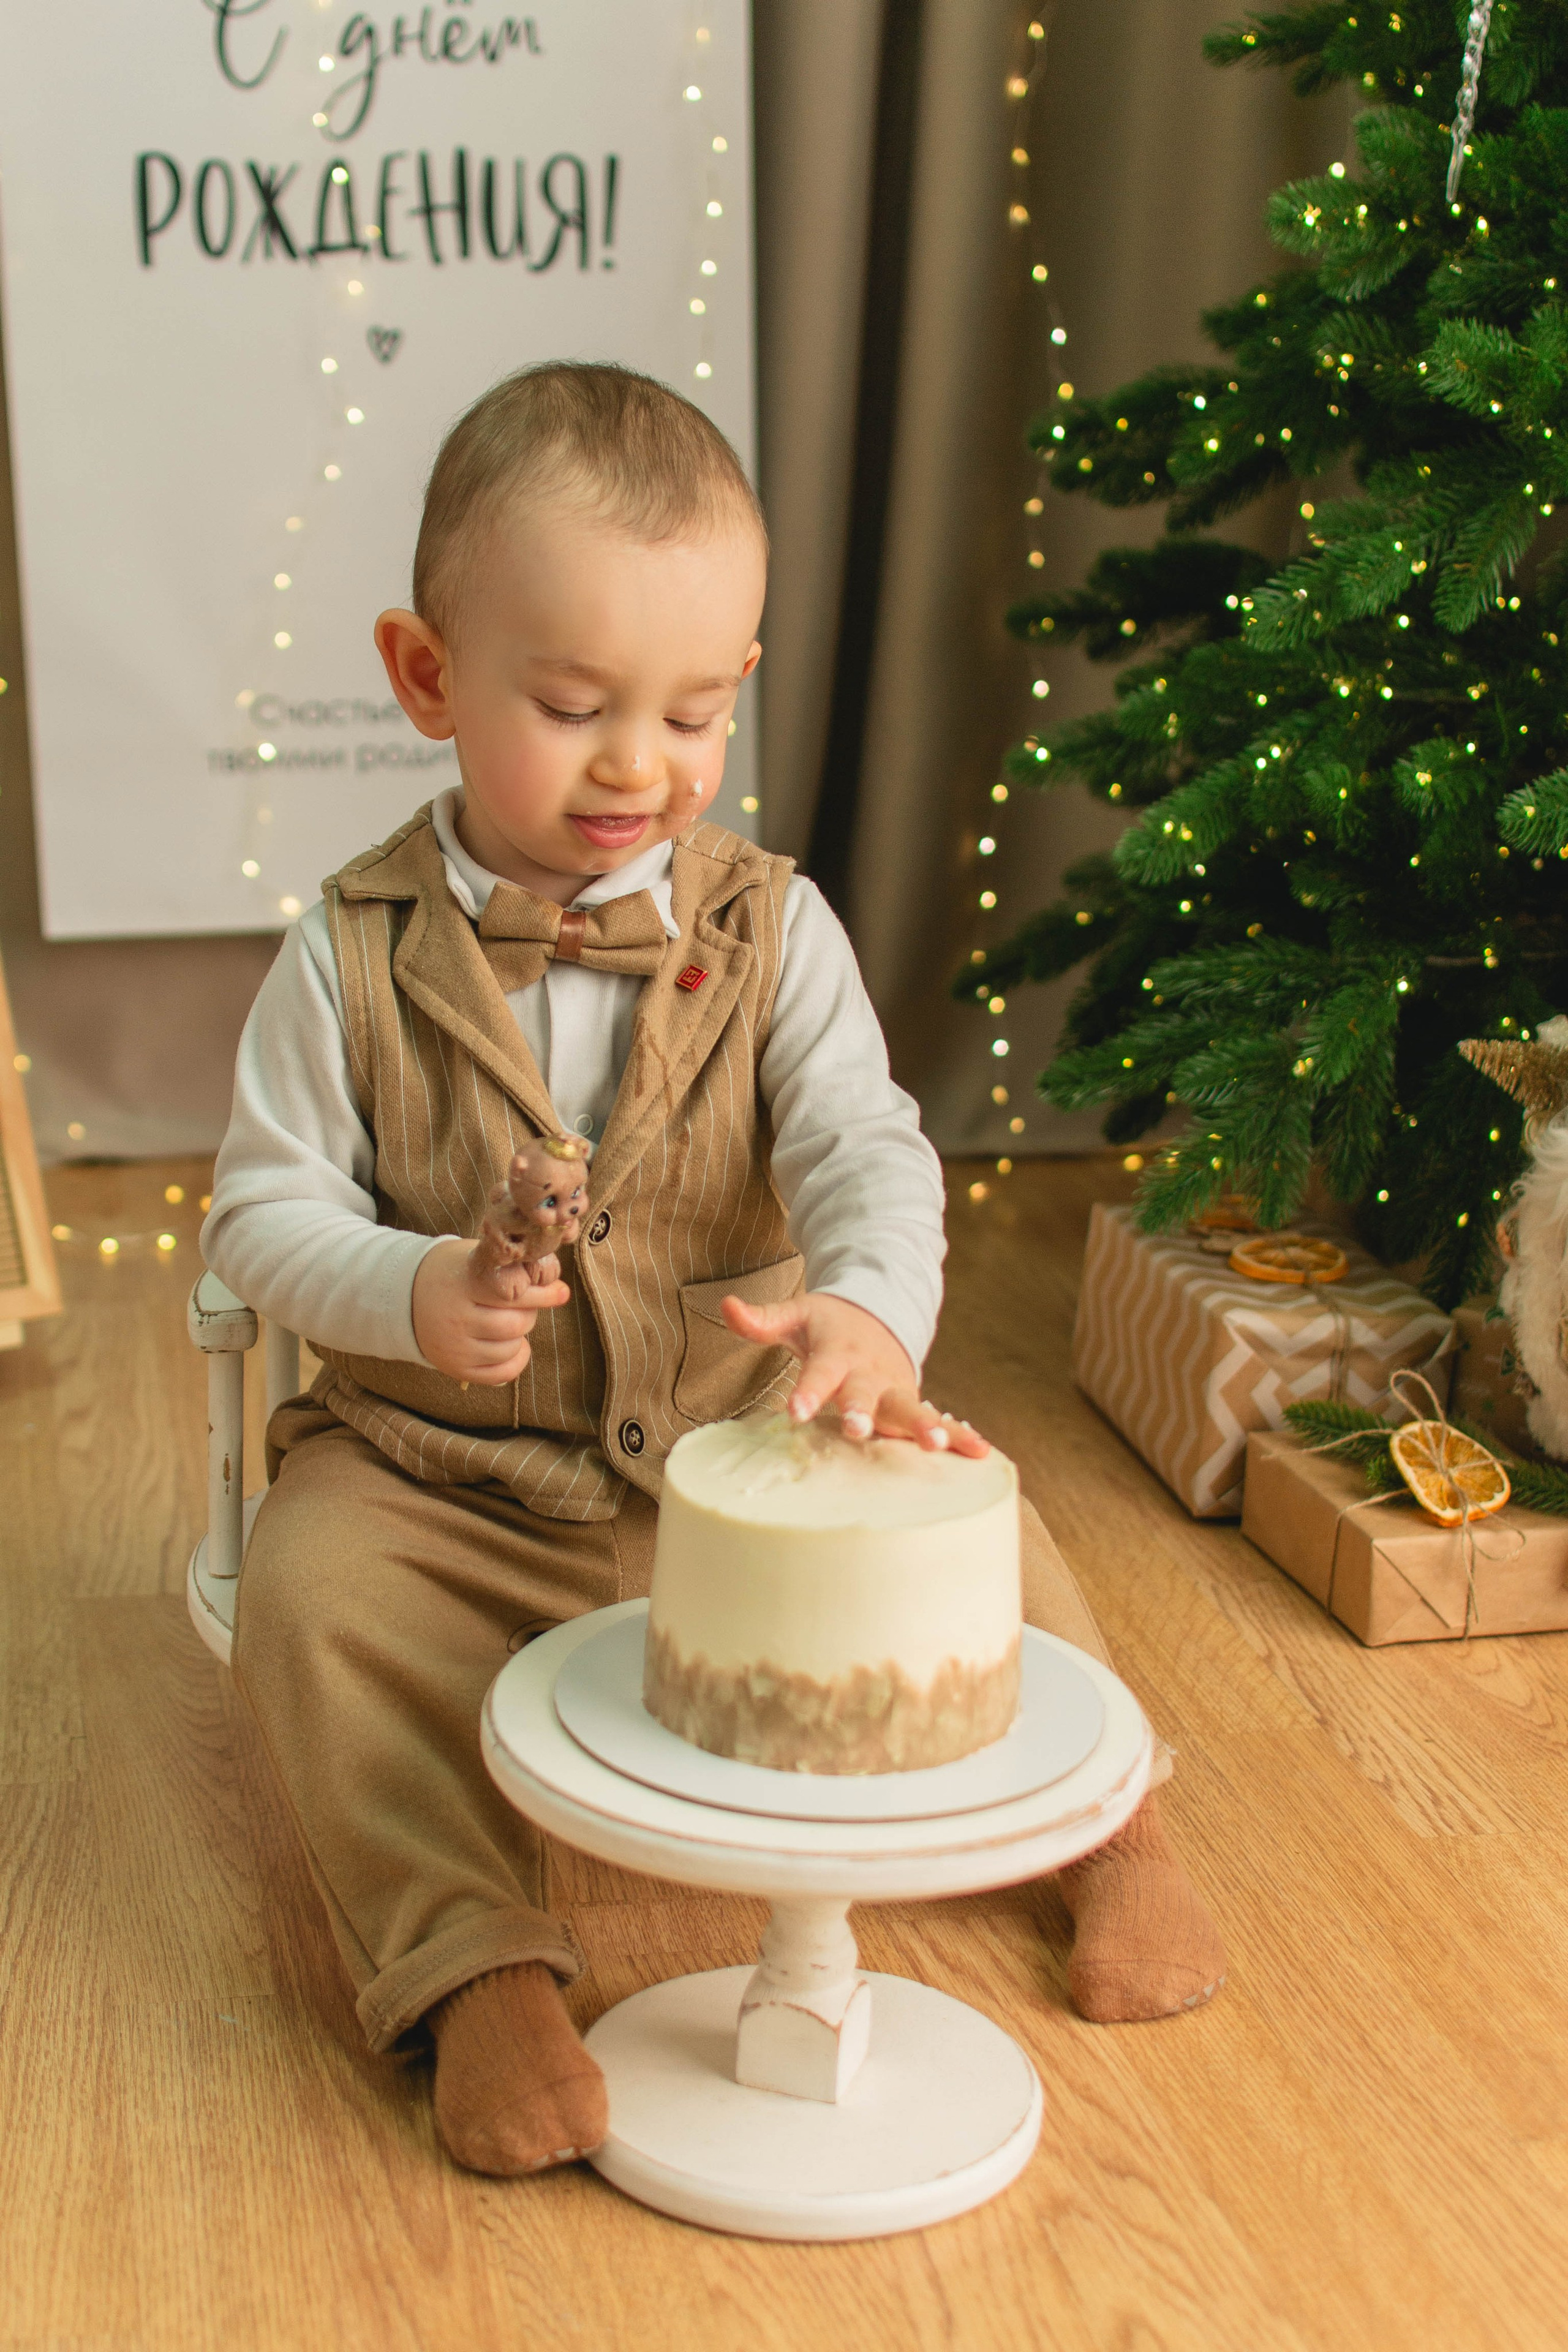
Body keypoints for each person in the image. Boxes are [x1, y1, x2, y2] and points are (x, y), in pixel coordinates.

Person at [203, 361, 1224, 2180]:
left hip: (731, 1456)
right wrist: (415, 1292)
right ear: (428, 676)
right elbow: (259, 1218)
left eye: (692, 716)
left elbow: (867, 1147)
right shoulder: (345, 954)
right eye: (576, 705)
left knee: (975, 1511)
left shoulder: (776, 928)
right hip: (448, 1472)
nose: (639, 768)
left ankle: (1111, 1836)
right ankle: (469, 1964)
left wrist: (866, 1321)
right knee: (313, 1592)